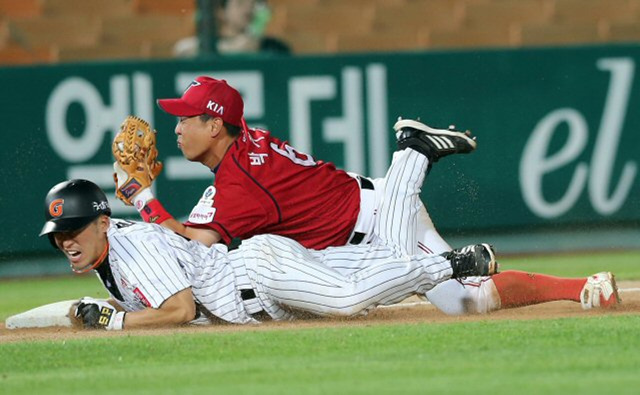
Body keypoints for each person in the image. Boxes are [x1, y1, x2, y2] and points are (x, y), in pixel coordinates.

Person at [117, 76, 620, 316]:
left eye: (187, 117)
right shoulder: (245, 151)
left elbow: (195, 245)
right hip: (356, 221)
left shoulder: (241, 184)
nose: (176, 126)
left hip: (380, 222)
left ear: (216, 124)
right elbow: (215, 214)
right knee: (471, 299)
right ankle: (583, 287)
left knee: (463, 298)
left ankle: (412, 153)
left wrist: (142, 197)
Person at [40, 143, 497, 329]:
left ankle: (451, 264)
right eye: (59, 234)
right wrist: (142, 198)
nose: (66, 241)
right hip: (261, 280)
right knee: (389, 256)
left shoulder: (127, 244)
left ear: (101, 223)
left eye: (73, 229)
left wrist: (115, 321)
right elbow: (174, 266)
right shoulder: (108, 250)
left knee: (348, 301)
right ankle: (412, 156)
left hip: (261, 275)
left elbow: (178, 309)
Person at [174, 0, 290, 57]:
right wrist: (233, 48)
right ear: (221, 12)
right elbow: (181, 49)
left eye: (252, 4)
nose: (248, 9)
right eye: (240, 3)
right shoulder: (206, 44)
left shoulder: (272, 46)